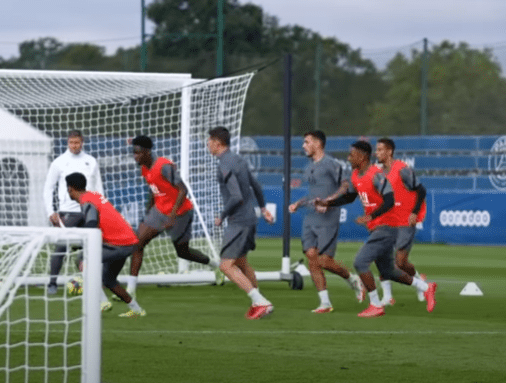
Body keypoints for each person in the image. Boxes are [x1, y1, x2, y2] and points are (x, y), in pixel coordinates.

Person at [317, 141, 436, 318]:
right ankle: (426, 288)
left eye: (352, 154)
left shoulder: (376, 175)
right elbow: (350, 197)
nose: (349, 158)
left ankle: (375, 304)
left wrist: (371, 216)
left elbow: (389, 199)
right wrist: (329, 203)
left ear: (363, 156)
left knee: (360, 262)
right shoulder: (357, 175)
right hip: (377, 228)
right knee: (388, 271)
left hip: (387, 227)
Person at [125, 135, 220, 298]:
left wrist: (172, 215)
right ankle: (130, 289)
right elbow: (152, 188)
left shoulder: (164, 166)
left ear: (148, 152)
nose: (136, 156)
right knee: (137, 244)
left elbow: (183, 190)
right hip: (159, 211)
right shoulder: (144, 167)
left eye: (138, 152)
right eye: (134, 153)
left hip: (180, 213)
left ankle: (215, 266)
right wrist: (149, 211)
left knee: (183, 253)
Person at [288, 130, 365, 314]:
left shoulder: (331, 164)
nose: (303, 146)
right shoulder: (308, 167)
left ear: (317, 143)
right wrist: (298, 203)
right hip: (310, 217)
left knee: (324, 260)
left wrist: (329, 201)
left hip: (328, 219)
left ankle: (352, 279)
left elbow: (345, 186)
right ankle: (325, 303)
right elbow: (313, 194)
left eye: (306, 142)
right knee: (312, 258)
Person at [206, 127, 276, 320]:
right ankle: (260, 302)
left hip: (239, 221)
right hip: (250, 218)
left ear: (217, 143)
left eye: (209, 140)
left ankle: (260, 301)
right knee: (242, 263)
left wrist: (222, 215)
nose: (207, 144)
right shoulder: (238, 160)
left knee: (226, 266)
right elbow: (256, 185)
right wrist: (263, 209)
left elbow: (236, 196)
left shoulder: (224, 164)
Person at [59, 172, 145, 318]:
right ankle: (136, 309)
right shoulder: (94, 195)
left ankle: (103, 302)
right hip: (128, 242)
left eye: (68, 189)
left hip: (118, 244)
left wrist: (78, 243)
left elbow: (92, 224)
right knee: (108, 279)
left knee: (82, 259)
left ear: (71, 189)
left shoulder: (86, 201)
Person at [43, 130, 104, 295]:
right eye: (71, 143)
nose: (74, 146)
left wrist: (101, 208)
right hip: (67, 212)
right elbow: (48, 188)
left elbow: (99, 187)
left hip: (89, 210)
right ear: (67, 143)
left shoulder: (91, 161)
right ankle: (52, 283)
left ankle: (93, 283)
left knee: (92, 248)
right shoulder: (59, 162)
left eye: (77, 143)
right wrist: (51, 211)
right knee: (61, 247)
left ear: (82, 142)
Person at [374, 137, 428, 306]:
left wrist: (414, 212)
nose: (377, 153)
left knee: (400, 262)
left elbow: (421, 190)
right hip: (388, 221)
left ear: (389, 151)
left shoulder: (402, 169)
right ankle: (387, 297)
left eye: (380, 150)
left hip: (405, 220)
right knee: (382, 256)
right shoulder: (379, 172)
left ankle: (419, 282)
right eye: (376, 150)